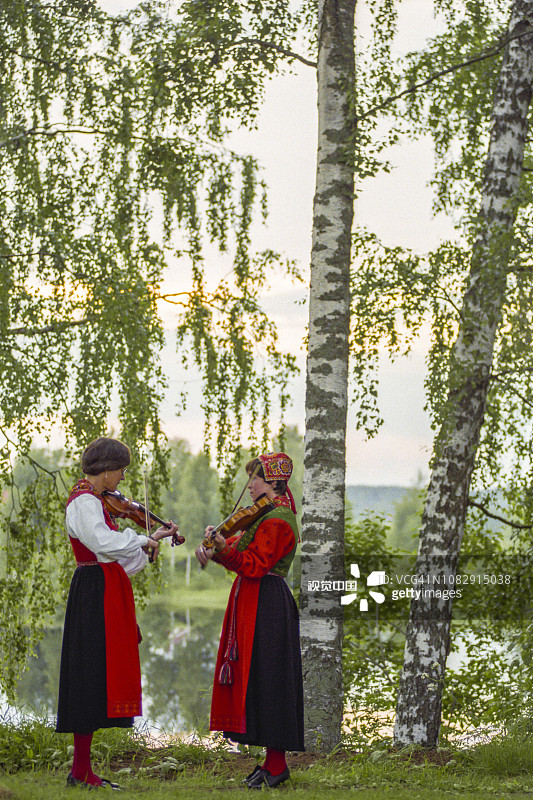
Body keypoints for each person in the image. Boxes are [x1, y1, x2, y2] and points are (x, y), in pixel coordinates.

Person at [56, 436, 179, 789]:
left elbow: (115, 561)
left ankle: (82, 771)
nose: (123, 478)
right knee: (90, 676)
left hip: (104, 587)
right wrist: (140, 539)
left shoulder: (96, 502)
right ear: (107, 470)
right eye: (121, 470)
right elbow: (101, 543)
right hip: (95, 594)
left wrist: (150, 539)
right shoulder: (84, 502)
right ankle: (80, 771)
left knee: (97, 677)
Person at [195, 452, 304, 789]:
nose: (251, 484)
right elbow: (236, 550)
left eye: (256, 478)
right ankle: (272, 763)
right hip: (253, 600)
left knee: (271, 680)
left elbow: (254, 564)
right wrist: (213, 547)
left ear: (274, 482)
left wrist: (222, 552)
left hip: (268, 602)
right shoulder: (260, 517)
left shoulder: (279, 520)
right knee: (258, 680)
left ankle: (277, 765)